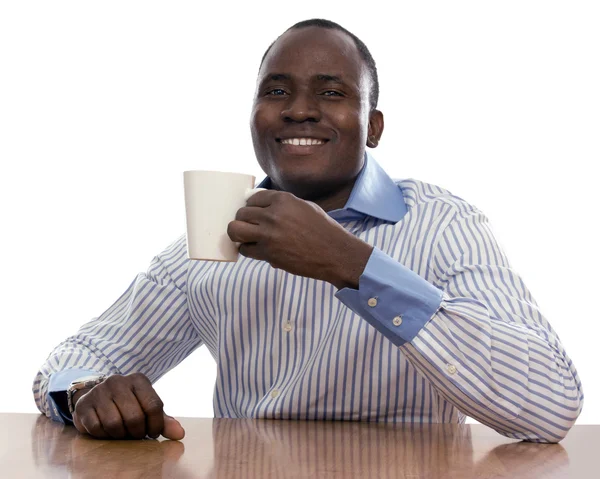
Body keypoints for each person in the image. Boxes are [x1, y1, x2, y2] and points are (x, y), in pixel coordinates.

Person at [33, 18, 583, 443]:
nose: (299, 110)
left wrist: (353, 265)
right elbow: (75, 357)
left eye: (332, 92)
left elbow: (551, 404)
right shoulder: (208, 242)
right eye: (275, 92)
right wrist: (86, 392)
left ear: (373, 126)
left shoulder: (444, 226)